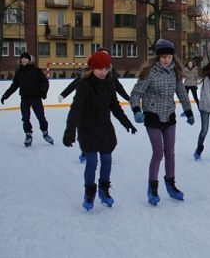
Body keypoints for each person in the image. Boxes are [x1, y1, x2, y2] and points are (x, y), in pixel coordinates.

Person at [62, 50, 137, 211]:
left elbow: (114, 106)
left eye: (106, 69)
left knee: (107, 159)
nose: (104, 72)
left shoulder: (109, 81)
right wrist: (70, 131)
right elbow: (76, 109)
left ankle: (104, 189)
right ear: (92, 69)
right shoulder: (84, 84)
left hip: (104, 127)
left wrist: (126, 123)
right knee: (91, 162)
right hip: (87, 128)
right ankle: (89, 192)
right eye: (100, 69)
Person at [130, 39, 194, 206]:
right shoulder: (149, 72)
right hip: (152, 116)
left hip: (169, 116)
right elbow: (136, 94)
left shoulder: (175, 72)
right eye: (163, 57)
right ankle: (152, 187)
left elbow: (181, 92)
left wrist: (188, 112)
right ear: (158, 57)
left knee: (170, 152)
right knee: (158, 152)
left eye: (169, 57)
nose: (167, 60)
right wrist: (136, 110)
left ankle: (171, 184)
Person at [58, 48, 130, 163]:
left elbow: (119, 88)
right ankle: (85, 152)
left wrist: (128, 98)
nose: (103, 71)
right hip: (88, 118)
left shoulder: (109, 76)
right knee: (88, 139)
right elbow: (74, 84)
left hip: (102, 119)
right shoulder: (87, 75)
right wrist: (63, 94)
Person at [1, 52, 54, 147]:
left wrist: (43, 93)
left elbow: (44, 82)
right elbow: (14, 86)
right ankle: (28, 135)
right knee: (25, 118)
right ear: (20, 60)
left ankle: (45, 133)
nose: (24, 59)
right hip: (24, 99)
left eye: (26, 58)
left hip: (36, 98)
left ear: (29, 60)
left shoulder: (36, 70)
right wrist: (5, 95)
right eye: (22, 58)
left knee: (41, 117)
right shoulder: (19, 72)